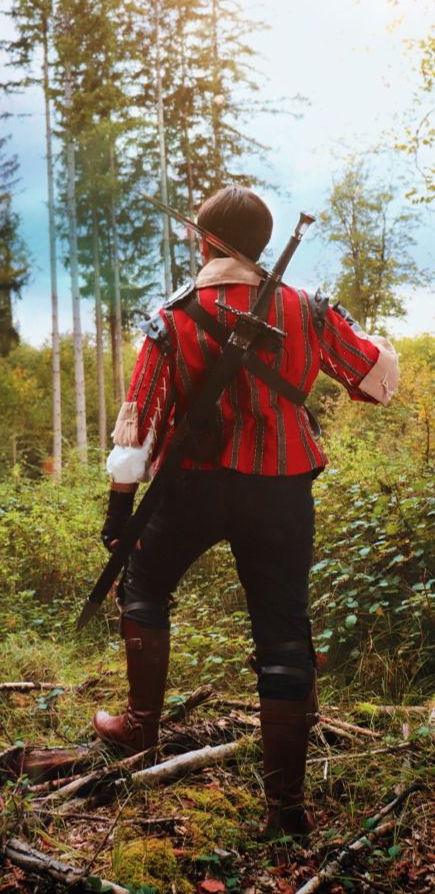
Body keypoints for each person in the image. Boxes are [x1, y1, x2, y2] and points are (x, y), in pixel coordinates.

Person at [92, 185, 399, 838]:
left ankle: (140, 728)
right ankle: (285, 810)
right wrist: (321, 329)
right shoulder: (308, 308)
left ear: (203, 241)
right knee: (283, 632)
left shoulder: (171, 315)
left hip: (193, 489)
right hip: (282, 491)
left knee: (142, 584)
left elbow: (136, 424)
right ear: (259, 246)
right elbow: (377, 381)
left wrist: (120, 513)